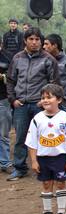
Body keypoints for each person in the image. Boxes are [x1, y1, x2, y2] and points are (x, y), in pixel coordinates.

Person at [6, 27, 59, 181]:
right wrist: (13, 99)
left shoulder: (48, 59)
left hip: (40, 105)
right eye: (31, 39)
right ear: (25, 40)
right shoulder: (17, 58)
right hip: (21, 104)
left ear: (41, 42)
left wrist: (45, 102)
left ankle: (45, 169)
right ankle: (19, 168)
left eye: (37, 39)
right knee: (21, 137)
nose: (34, 42)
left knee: (44, 137)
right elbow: (10, 80)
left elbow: (54, 83)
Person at [25, 84, 66, 214]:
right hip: (43, 157)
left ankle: (61, 212)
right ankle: (47, 211)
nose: (45, 100)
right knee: (46, 183)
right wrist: (33, 161)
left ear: (59, 100)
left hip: (60, 157)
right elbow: (32, 143)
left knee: (60, 183)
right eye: (43, 98)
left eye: (49, 97)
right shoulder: (37, 119)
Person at [43, 34, 66, 114]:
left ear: (54, 45)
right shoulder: (44, 61)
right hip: (47, 101)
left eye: (46, 44)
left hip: (64, 102)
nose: (44, 47)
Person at [0, 38, 13, 174]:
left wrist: (3, 77)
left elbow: (12, 77)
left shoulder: (8, 57)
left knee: (3, 133)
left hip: (3, 99)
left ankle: (4, 162)